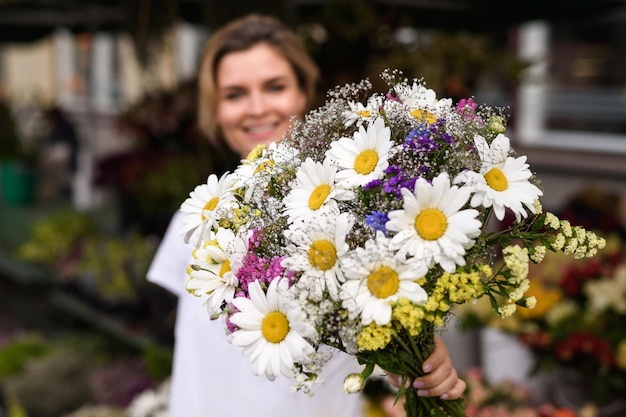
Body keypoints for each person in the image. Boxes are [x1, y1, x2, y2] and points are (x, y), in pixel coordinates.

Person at [147, 14, 465, 417]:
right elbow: (199, 356)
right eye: (234, 94)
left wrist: (419, 353)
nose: (257, 107)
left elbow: (390, 327)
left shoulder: (355, 214)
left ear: (303, 95)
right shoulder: (193, 220)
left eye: (275, 87)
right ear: (215, 110)